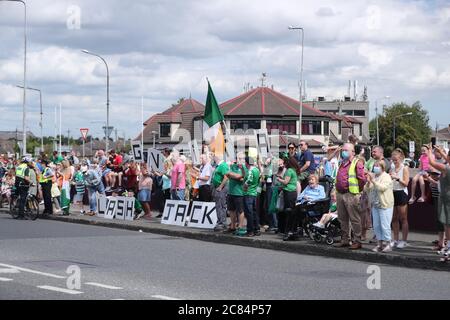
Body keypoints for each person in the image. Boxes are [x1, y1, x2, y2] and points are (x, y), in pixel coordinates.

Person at [334, 143, 367, 250]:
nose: (343, 152)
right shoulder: (342, 163)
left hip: (351, 194)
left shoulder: (357, 163)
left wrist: (358, 191)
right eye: (342, 150)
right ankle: (345, 240)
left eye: (346, 150)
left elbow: (362, 179)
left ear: (353, 152)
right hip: (340, 193)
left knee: (355, 219)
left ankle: (357, 241)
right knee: (342, 219)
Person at [365, 160, 394, 253]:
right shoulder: (374, 176)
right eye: (375, 166)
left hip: (384, 204)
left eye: (378, 166)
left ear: (383, 167)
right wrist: (369, 182)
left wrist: (373, 181)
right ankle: (379, 244)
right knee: (376, 225)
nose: (375, 167)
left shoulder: (387, 177)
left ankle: (388, 243)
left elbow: (382, 188)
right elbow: (366, 189)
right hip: (375, 204)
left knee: (385, 225)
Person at [427, 145, 450, 261]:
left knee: (447, 223)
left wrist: (429, 151)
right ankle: (448, 246)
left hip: (447, 198)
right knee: (446, 223)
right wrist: (441, 151)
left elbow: (431, 162)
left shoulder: (446, 168)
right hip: (445, 197)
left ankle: (449, 247)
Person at [389, 149, 410, 249]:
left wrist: (397, 178)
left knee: (403, 218)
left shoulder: (404, 168)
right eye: (393, 160)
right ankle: (395, 239)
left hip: (401, 193)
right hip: (393, 192)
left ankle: (404, 240)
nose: (394, 162)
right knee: (394, 218)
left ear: (401, 159)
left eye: (396, 160)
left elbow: (406, 183)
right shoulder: (392, 168)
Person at [277, 156, 301, 241]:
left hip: (289, 193)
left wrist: (279, 179)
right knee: (292, 213)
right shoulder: (294, 171)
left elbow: (286, 182)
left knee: (288, 212)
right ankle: (292, 231)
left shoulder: (289, 171)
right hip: (293, 193)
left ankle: (287, 232)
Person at [224, 152, 247, 236]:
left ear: (244, 159)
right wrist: (237, 176)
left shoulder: (245, 168)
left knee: (240, 211)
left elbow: (243, 179)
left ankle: (240, 227)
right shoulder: (233, 166)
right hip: (231, 191)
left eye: (241, 159)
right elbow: (228, 174)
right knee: (231, 210)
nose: (239, 160)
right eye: (238, 158)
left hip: (239, 193)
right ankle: (232, 226)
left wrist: (235, 176)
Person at [424, 170, 445, 251]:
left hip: (443, 201)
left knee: (443, 222)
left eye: (434, 174)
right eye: (431, 174)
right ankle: (441, 243)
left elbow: (441, 187)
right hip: (437, 201)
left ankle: (443, 243)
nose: (431, 175)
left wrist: (430, 180)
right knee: (438, 221)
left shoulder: (442, 180)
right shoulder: (433, 180)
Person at [243, 156, 261, 237]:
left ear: (247, 163)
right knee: (254, 212)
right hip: (254, 193)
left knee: (249, 213)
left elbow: (249, 180)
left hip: (248, 193)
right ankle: (257, 229)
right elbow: (258, 180)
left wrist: (245, 185)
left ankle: (250, 230)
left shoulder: (250, 170)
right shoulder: (257, 170)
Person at [211, 153, 229, 231]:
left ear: (216, 158)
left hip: (221, 188)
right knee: (218, 205)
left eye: (213, 157)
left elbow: (226, 177)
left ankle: (222, 222)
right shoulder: (218, 166)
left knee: (221, 205)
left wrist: (220, 186)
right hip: (217, 187)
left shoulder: (223, 165)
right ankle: (220, 221)